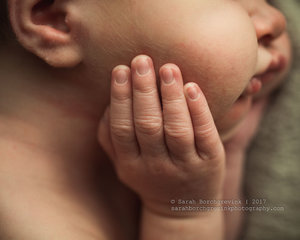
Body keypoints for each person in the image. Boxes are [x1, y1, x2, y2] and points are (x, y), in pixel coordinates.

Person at [0, 0, 291, 239]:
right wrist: (182, 214)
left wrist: (227, 160)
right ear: (55, 18)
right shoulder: (20, 208)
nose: (277, 19)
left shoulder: (167, 160)